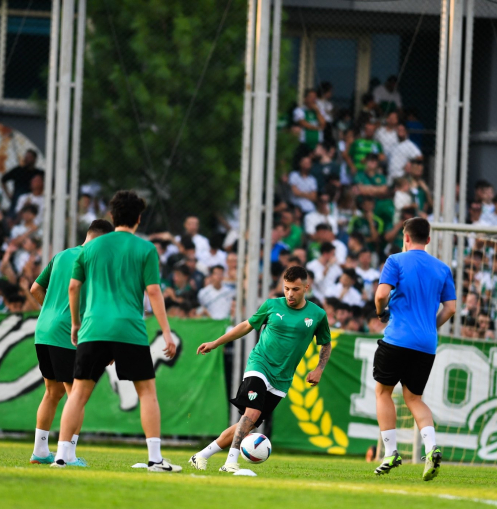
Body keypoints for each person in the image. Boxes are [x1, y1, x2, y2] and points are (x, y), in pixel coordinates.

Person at [51, 190, 179, 471]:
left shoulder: (90, 248)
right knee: (146, 392)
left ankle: (61, 455)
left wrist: (75, 323)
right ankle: (155, 459)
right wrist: (166, 333)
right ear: (139, 218)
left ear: (112, 216)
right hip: (129, 329)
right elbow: (154, 292)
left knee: (79, 394)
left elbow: (73, 287)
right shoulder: (145, 249)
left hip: (93, 327)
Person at [189, 266, 331, 472]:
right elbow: (246, 325)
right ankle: (230, 463)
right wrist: (216, 342)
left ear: (306, 287)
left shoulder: (317, 315)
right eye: (286, 288)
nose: (290, 294)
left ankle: (201, 455)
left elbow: (326, 343)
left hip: (282, 378)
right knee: (252, 413)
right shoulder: (272, 305)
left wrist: (319, 369)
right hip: (259, 365)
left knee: (248, 424)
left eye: (296, 289)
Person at [372, 218, 457, 480]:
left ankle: (391, 452)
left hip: (397, 338)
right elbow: (451, 308)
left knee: (383, 392)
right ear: (428, 240)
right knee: (414, 399)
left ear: (405, 238)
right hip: (427, 344)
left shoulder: (396, 260)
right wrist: (431, 327)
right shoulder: (442, 268)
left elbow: (381, 294)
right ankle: (431, 449)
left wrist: (380, 313)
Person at [28, 219, 114, 465]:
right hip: (69, 334)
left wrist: (52, 313)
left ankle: (40, 452)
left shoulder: (61, 256)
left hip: (44, 330)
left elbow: (35, 288)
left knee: (52, 392)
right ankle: (67, 455)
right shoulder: (97, 262)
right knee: (76, 396)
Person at [1, 149, 44, 216]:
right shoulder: (18, 170)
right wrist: (8, 194)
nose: (26, 159)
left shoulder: (39, 173)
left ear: (34, 159)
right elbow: (3, 180)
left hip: (32, 202)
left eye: (29, 157)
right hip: (16, 201)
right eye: (26, 157)